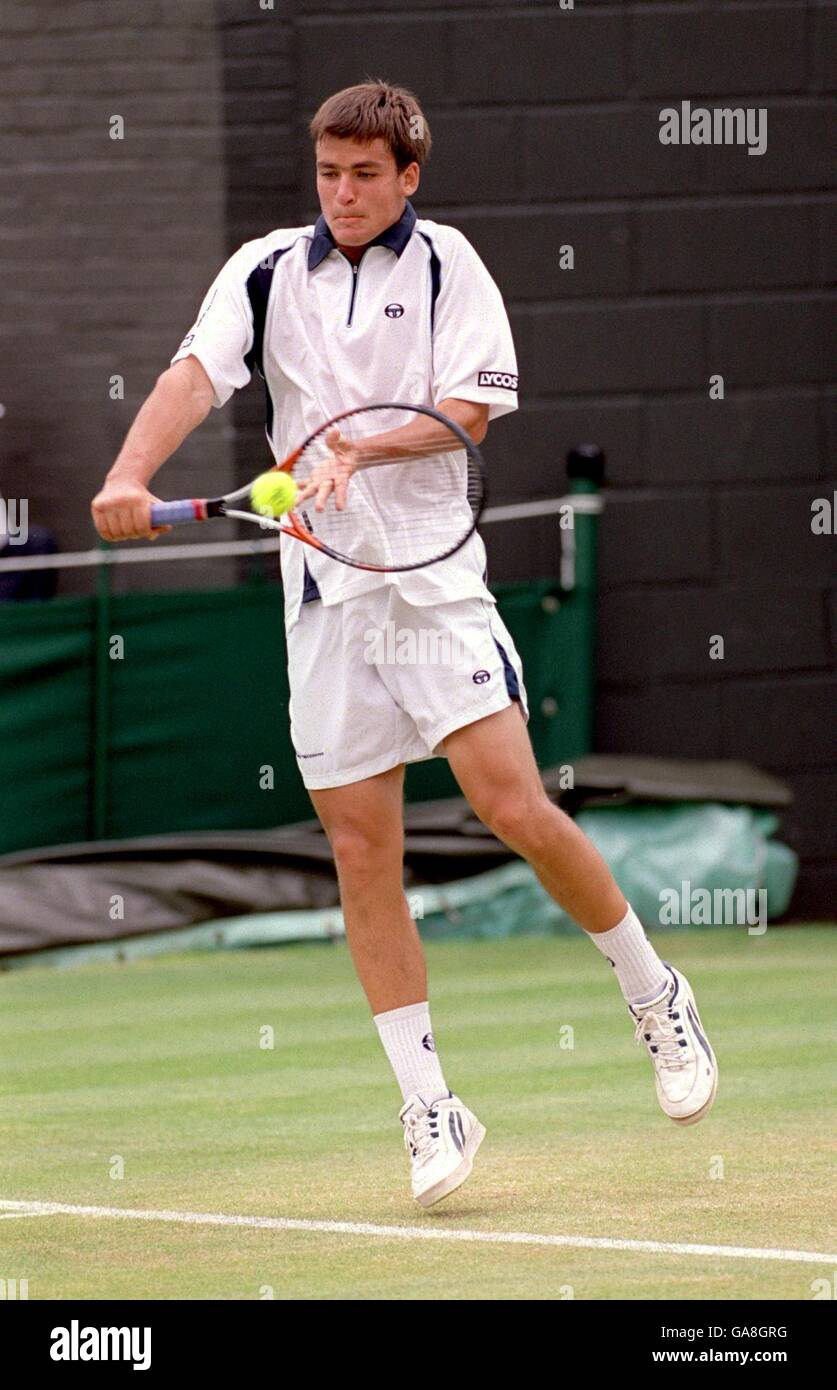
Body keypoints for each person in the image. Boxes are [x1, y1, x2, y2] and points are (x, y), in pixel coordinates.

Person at [91, 80, 718, 1209]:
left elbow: (464, 415)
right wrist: (128, 474)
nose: (342, 193)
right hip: (323, 600)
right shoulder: (263, 269)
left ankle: (654, 992)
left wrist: (349, 456)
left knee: (512, 806)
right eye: (328, 172)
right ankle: (431, 1107)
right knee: (359, 851)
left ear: (408, 176)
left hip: (431, 589)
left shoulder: (451, 268)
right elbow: (195, 375)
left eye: (365, 175)